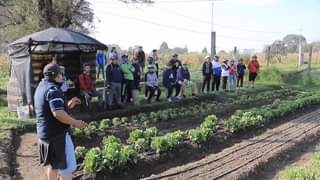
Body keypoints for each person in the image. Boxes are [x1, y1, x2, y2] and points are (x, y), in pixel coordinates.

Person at [34, 63, 86, 180]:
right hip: (58, 136)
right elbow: (57, 113)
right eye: (61, 74)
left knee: (53, 165)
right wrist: (75, 122)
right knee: (67, 168)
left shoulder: (41, 87)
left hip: (46, 134)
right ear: (54, 75)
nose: (63, 77)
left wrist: (68, 105)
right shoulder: (53, 90)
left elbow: (51, 110)